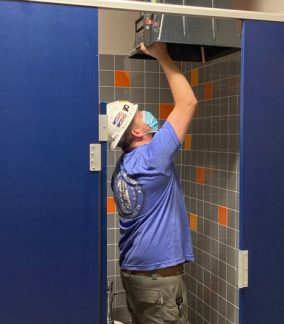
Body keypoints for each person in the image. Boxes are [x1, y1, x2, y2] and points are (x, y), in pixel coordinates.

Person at [107, 42, 197, 324]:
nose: (146, 114)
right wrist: (162, 55)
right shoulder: (152, 157)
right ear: (136, 130)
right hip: (159, 282)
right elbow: (188, 102)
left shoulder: (121, 168)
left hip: (134, 274)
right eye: (140, 114)